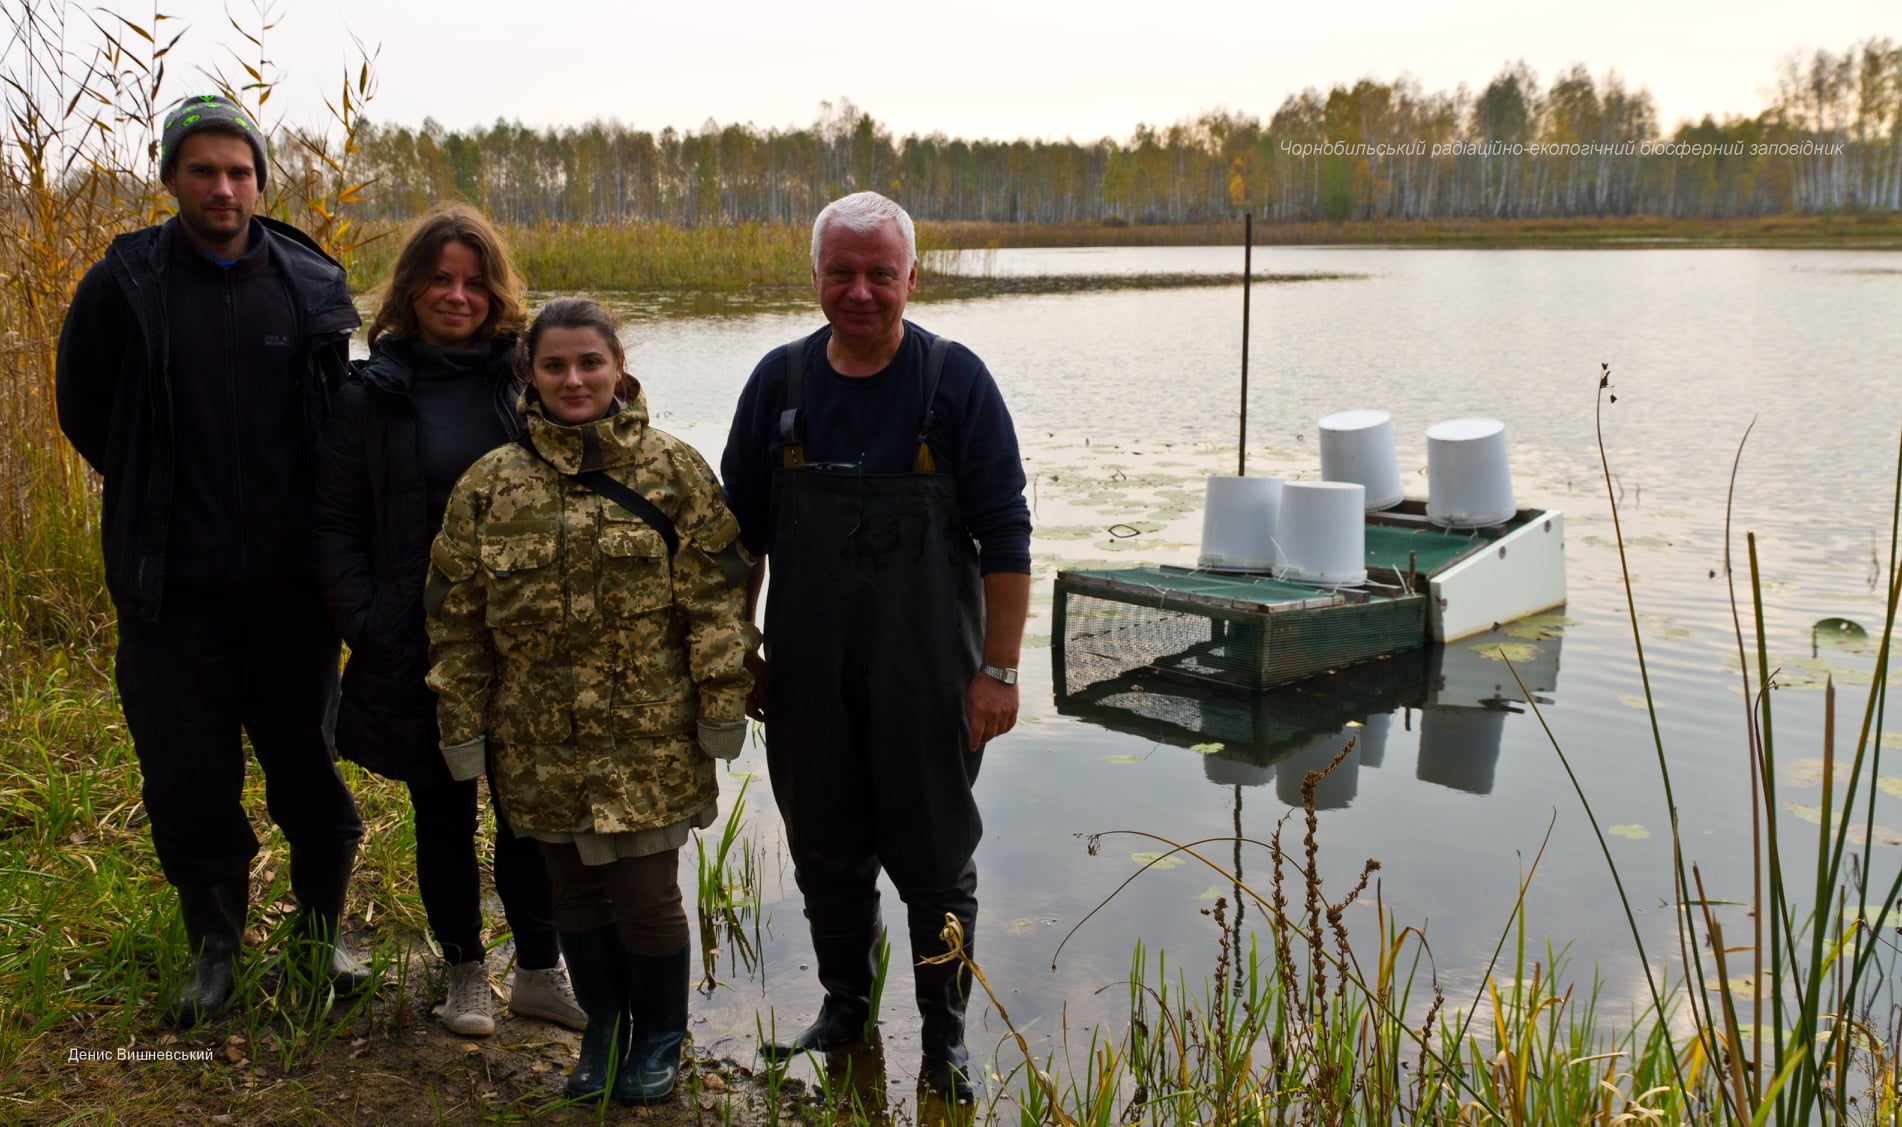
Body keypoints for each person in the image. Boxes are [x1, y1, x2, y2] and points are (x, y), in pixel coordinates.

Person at [54, 93, 369, 1024]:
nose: (223, 187)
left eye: (239, 171)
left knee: (308, 764)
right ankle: (214, 946)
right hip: (172, 595)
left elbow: (335, 426)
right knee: (186, 773)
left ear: (260, 180)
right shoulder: (125, 283)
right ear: (170, 179)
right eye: (203, 171)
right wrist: (160, 498)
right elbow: (85, 408)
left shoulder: (309, 286)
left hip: (291, 594)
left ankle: (322, 932)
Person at [721, 191, 1032, 1103]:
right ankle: (844, 1008)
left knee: (936, 865)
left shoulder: (955, 382)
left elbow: (1007, 535)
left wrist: (999, 673)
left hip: (930, 676)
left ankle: (945, 1042)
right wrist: (744, 649)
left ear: (911, 278)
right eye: (841, 272)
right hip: (807, 676)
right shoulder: (778, 385)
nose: (860, 291)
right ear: (814, 275)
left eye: (879, 274)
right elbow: (742, 539)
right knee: (825, 852)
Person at [424, 298, 754, 1104]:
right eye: (555, 365)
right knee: (569, 889)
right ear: (528, 375)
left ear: (618, 367)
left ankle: (661, 1040)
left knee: (646, 896)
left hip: (650, 736)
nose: (573, 379)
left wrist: (721, 705)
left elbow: (718, 601)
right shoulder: (490, 486)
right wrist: (462, 731)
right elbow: (456, 618)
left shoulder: (675, 471)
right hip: (539, 739)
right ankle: (605, 1029)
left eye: (589, 363)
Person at [313, 204, 586, 1038]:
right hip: (419, 640)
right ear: (411, 288)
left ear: (495, 289)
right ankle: (465, 968)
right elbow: (333, 525)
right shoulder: (371, 394)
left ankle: (539, 970)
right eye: (440, 277)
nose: (457, 294)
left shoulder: (526, 378)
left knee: (531, 811)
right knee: (442, 806)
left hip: (526, 636)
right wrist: (369, 617)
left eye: (474, 280)